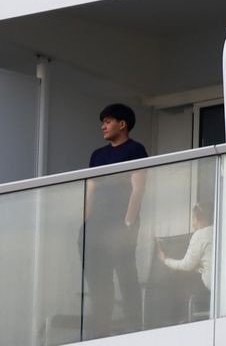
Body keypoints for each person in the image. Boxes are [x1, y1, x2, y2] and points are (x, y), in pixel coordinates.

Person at [84, 103, 148, 334]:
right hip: (96, 225)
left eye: (108, 121)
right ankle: (100, 325)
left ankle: (134, 325)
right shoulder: (97, 155)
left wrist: (128, 223)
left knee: (125, 272)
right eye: (103, 122)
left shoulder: (135, 150)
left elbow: (138, 189)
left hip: (120, 224)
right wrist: (85, 224)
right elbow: (89, 190)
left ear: (122, 124)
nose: (103, 126)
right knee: (99, 276)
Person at [157, 201, 215, 295]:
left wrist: (165, 260)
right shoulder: (220, 231)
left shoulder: (200, 235)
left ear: (200, 218)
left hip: (213, 287)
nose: (193, 224)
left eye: (193, 218)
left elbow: (186, 266)